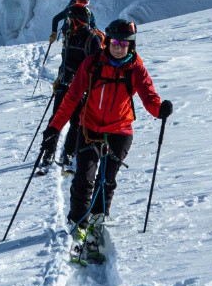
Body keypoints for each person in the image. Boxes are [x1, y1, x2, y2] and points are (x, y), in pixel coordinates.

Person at [46, 17, 172, 233]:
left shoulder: (136, 69)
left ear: (131, 45)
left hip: (120, 130)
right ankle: (77, 222)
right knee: (83, 179)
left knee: (106, 180)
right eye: (115, 43)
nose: (119, 48)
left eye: (124, 44)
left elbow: (149, 96)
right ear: (108, 42)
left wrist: (159, 110)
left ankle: (98, 216)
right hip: (89, 128)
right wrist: (54, 128)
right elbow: (72, 98)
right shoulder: (92, 64)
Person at [38, 0, 102, 169]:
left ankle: (63, 154)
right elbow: (66, 61)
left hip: (78, 88)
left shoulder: (90, 38)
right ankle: (59, 154)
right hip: (67, 84)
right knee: (66, 121)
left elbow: (96, 68)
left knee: (72, 121)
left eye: (70, 21)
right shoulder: (73, 36)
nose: (67, 25)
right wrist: (60, 77)